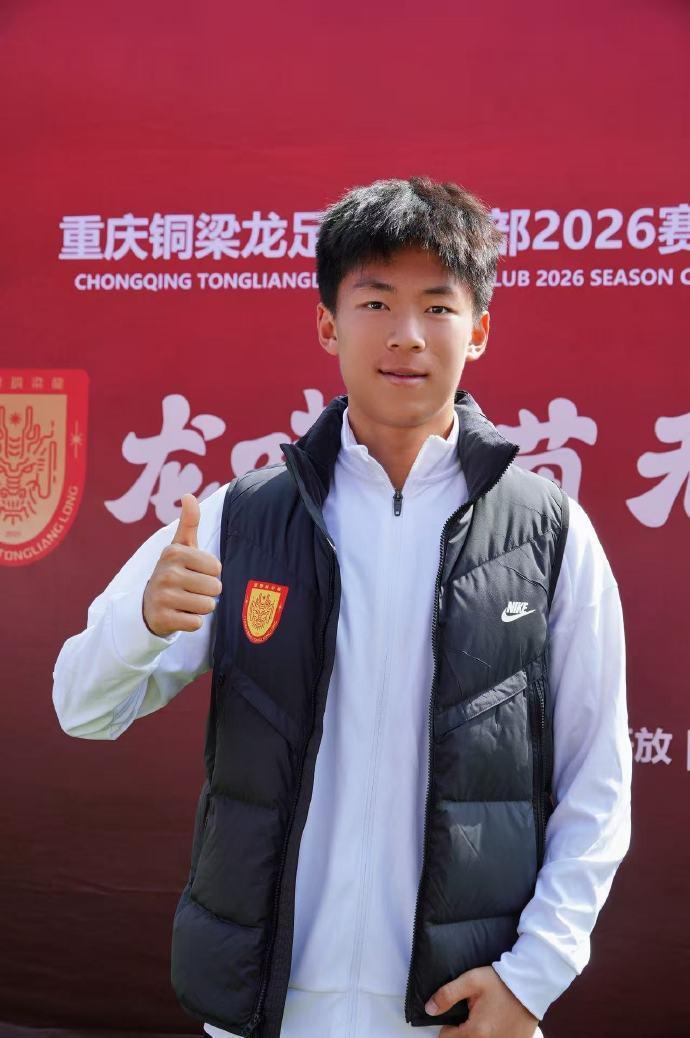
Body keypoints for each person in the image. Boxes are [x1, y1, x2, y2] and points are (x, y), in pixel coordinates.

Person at [52, 176, 632, 1038]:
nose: (407, 335)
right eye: (376, 302)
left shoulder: (548, 532)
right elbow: (80, 707)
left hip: (453, 1009)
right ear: (328, 324)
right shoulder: (241, 517)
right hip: (268, 1006)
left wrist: (533, 977)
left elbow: (596, 780)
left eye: (438, 307)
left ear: (478, 330)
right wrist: (141, 621)